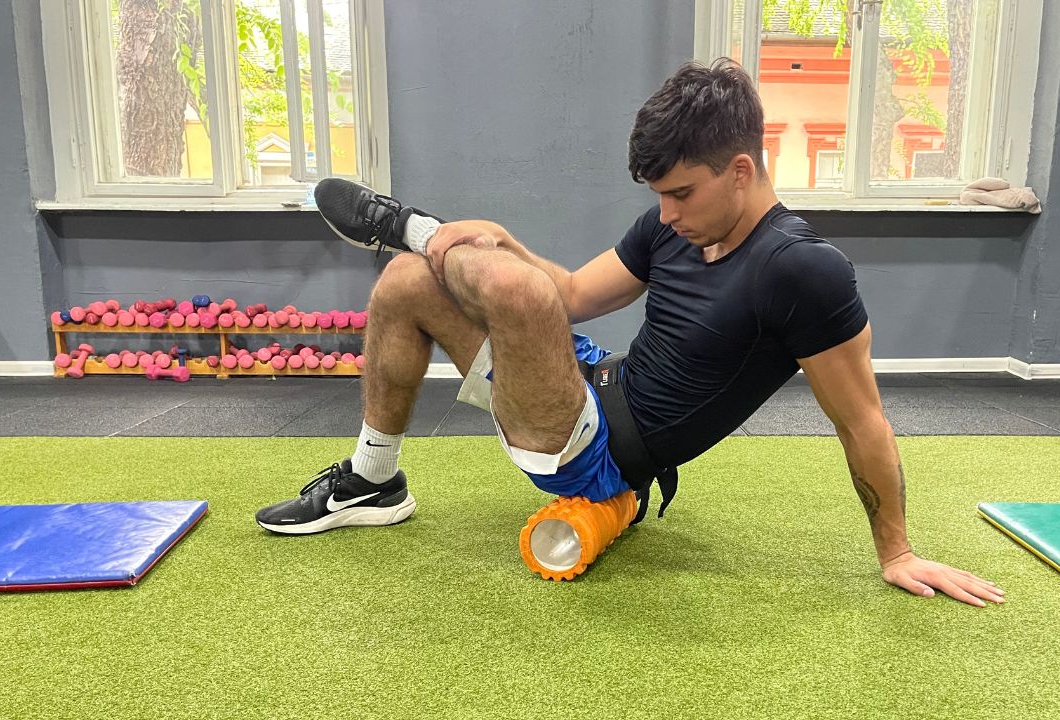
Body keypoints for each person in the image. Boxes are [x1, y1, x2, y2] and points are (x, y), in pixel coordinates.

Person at [255, 59, 1005, 608]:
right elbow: (576, 295)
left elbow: (862, 418)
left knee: (492, 279)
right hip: (583, 383)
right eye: (659, 197)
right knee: (405, 283)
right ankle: (373, 480)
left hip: (598, 458)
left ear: (741, 170)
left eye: (681, 193)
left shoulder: (804, 271)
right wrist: (506, 244)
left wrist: (897, 551)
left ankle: (411, 227)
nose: (667, 213)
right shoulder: (668, 225)